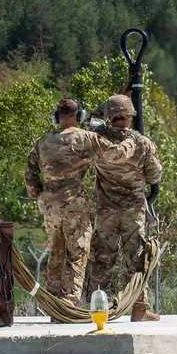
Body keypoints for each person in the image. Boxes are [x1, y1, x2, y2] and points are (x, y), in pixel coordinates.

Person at [24, 97, 133, 307]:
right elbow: (116, 154)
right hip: (75, 206)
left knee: (55, 253)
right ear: (79, 116)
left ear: (56, 117)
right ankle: (69, 303)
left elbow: (30, 174)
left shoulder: (43, 141)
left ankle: (52, 301)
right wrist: (130, 142)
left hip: (50, 208)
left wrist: (39, 196)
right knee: (77, 254)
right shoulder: (86, 138)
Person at [90, 94, 163, 322]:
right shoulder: (141, 142)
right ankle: (139, 308)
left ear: (109, 116)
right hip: (134, 211)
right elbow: (155, 174)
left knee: (102, 260)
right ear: (130, 116)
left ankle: (98, 306)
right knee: (136, 259)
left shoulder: (97, 140)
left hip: (106, 210)